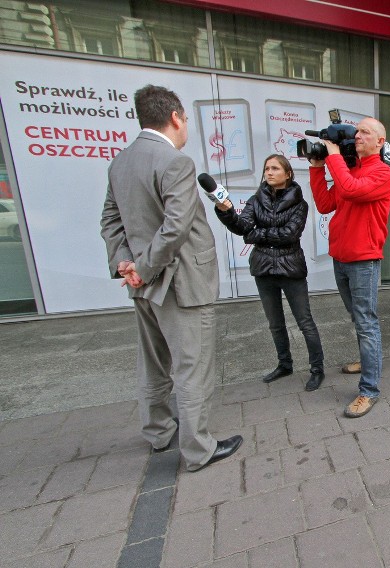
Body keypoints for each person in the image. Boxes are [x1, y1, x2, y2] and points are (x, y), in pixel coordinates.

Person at [100, 85, 241, 471]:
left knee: (153, 362)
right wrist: (142, 267)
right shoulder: (176, 162)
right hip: (180, 283)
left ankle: (159, 431)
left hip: (142, 284)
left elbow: (111, 222)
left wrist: (125, 264)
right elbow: (176, 227)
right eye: (186, 121)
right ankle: (198, 449)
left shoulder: (121, 162)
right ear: (176, 117)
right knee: (192, 367)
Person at [309, 117, 390, 418]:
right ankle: (367, 359)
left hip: (363, 259)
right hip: (341, 256)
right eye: (356, 131)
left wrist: (333, 155)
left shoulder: (384, 173)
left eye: (365, 132)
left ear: (380, 142)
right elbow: (324, 203)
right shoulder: (351, 169)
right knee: (357, 317)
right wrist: (316, 167)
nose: (357, 136)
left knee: (366, 322)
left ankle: (369, 390)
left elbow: (351, 189)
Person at [214, 154, 325, 390]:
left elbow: (290, 234)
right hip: (264, 269)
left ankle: (317, 369)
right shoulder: (256, 201)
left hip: (291, 268)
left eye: (275, 168)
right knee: (275, 323)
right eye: (266, 168)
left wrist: (258, 235)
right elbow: (242, 227)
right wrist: (226, 212)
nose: (269, 172)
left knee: (305, 322)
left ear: (288, 174)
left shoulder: (300, 204)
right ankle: (285, 365)